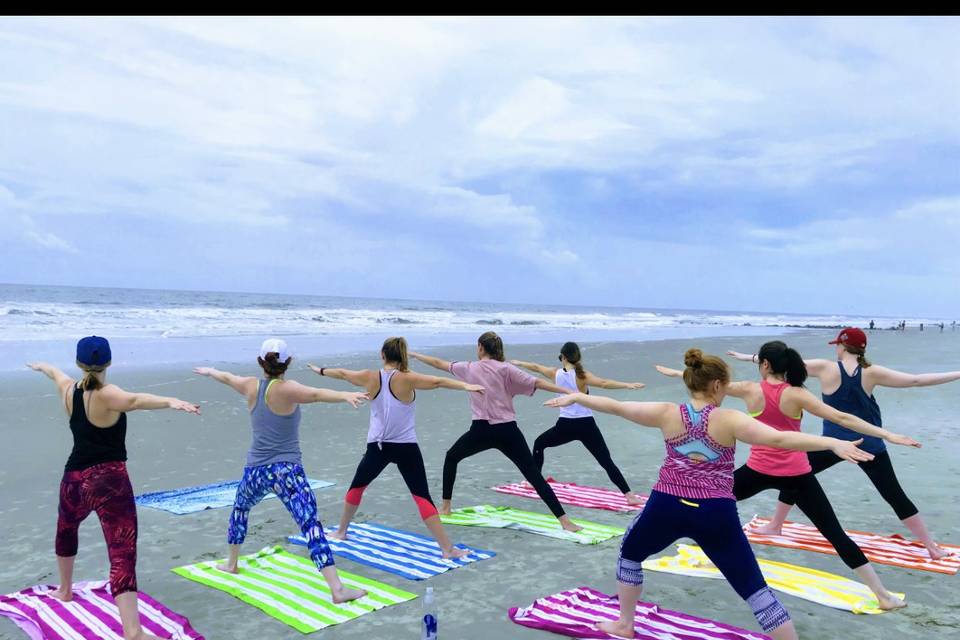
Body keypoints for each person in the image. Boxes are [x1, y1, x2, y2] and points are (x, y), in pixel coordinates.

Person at [545, 349, 880, 639]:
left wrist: (578, 397)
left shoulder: (666, 412)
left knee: (629, 554)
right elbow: (779, 440)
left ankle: (625, 624)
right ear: (718, 385)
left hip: (667, 506)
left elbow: (617, 407)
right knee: (754, 590)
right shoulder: (730, 419)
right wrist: (832, 442)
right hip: (715, 513)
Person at [660, 340, 915, 609]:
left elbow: (711, 386)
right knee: (835, 534)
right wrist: (886, 433)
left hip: (758, 471)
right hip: (796, 474)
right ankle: (883, 596)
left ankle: (693, 546)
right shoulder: (797, 394)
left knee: (704, 504)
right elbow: (842, 418)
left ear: (766, 364)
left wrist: (681, 373)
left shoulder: (750, 390)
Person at [729, 327, 960, 559]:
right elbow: (916, 381)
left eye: (837, 345)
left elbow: (784, 364)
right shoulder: (872, 372)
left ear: (841, 346)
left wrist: (750, 358)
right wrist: (958, 373)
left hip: (829, 445)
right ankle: (931, 547)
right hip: (869, 444)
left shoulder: (824, 367)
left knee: (794, 477)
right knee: (894, 495)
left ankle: (776, 525)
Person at [28, 336, 201, 640]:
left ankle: (65, 590)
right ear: (108, 362)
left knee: (66, 529)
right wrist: (170, 401)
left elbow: (55, 373)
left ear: (79, 363)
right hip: (110, 482)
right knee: (122, 552)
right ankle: (133, 631)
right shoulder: (109, 394)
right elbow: (134, 401)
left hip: (75, 478)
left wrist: (41, 366)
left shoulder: (68, 389)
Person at [193, 338, 369, 603]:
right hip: (287, 472)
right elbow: (317, 395)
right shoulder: (288, 389)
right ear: (289, 362)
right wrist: (345, 395)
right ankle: (337, 589)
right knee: (310, 524)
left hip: (255, 471)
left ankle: (231, 563)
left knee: (240, 509)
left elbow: (227, 377)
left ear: (259, 361)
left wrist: (209, 372)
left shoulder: (250, 385)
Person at [308, 336, 483, 559]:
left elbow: (342, 373)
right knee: (422, 497)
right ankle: (447, 549)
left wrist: (320, 370)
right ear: (402, 356)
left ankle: (341, 531)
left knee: (357, 487)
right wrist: (465, 385)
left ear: (382, 354)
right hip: (405, 447)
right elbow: (438, 381)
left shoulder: (369, 376)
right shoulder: (407, 379)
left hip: (378, 446)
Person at [409, 331, 584, 532]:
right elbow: (537, 382)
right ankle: (565, 522)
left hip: (481, 430)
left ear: (481, 348)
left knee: (451, 457)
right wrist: (570, 392)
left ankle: (446, 507)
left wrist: (415, 355)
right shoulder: (506, 369)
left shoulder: (469, 368)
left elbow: (439, 363)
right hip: (508, 431)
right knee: (533, 475)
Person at [511, 341, 645, 504]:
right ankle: (629, 496)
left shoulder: (555, 373)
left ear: (564, 357)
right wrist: (627, 385)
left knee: (539, 444)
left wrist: (518, 363)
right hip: (586, 426)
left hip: (565, 426)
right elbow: (604, 383)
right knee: (605, 461)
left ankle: (533, 482)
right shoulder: (582, 376)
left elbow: (536, 367)